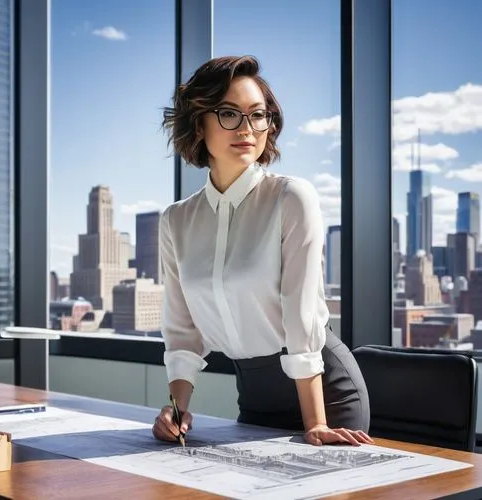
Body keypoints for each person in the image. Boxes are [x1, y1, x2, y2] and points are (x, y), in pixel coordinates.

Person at [152, 55, 373, 447]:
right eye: (229, 114)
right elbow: (183, 331)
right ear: (199, 123)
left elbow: (302, 317)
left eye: (258, 115)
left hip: (325, 395)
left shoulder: (292, 198)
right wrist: (175, 407)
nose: (247, 129)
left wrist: (316, 423)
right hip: (254, 397)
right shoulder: (177, 220)